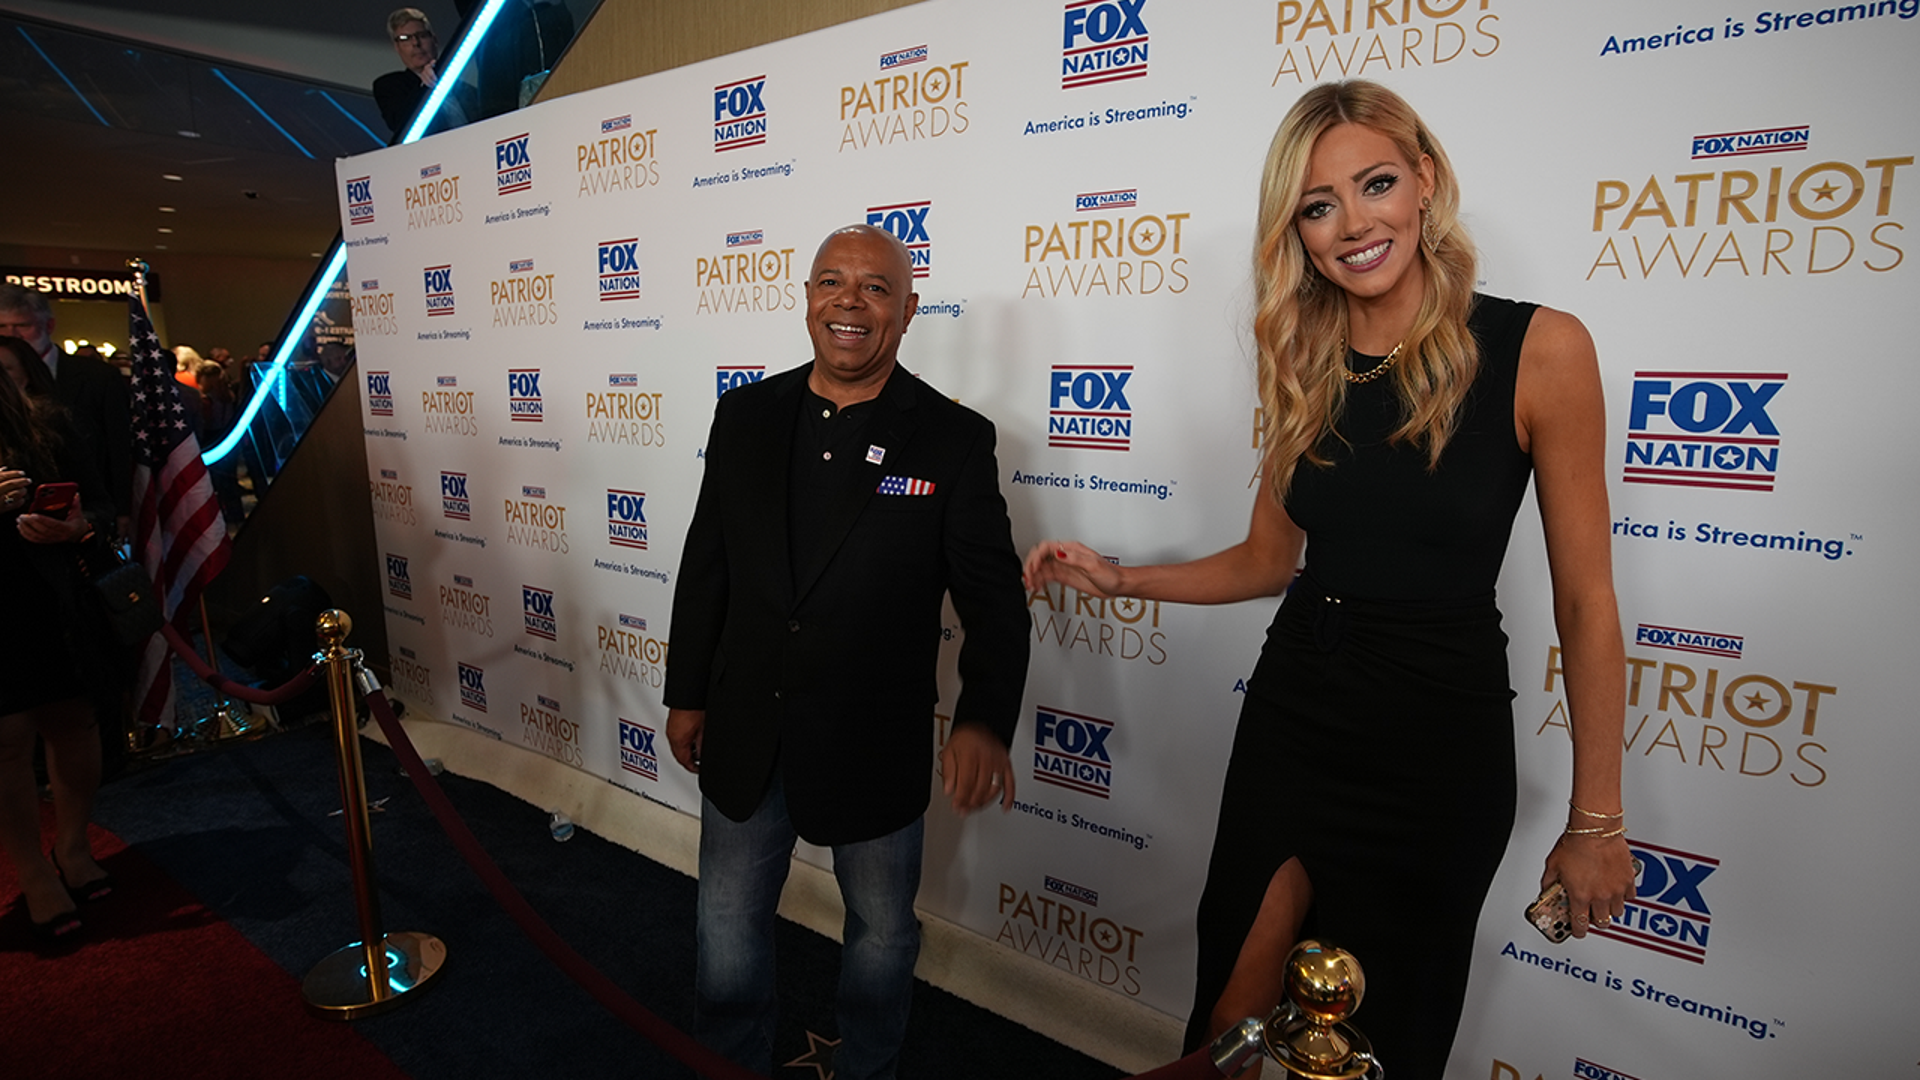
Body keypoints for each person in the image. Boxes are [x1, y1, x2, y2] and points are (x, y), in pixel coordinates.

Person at [1022, 80, 1634, 1077]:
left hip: (1440, 738)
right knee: (1231, 1014)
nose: (1353, 224)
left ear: (1425, 181)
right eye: (1318, 206)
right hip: (1297, 715)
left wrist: (1597, 818)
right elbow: (1268, 562)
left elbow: (1587, 601)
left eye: (1376, 184)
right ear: (1296, 232)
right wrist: (1118, 577)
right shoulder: (1303, 361)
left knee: (1381, 1042)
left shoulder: (1540, 349)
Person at [663, 224, 1030, 1080]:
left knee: (882, 934)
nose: (849, 302)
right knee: (725, 925)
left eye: (873, 288)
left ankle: (867, 1067)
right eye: (831, 282)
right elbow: (706, 561)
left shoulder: (953, 439)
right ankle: (730, 1060)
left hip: (874, 740)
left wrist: (982, 720)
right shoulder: (745, 414)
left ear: (906, 311)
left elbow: (994, 601)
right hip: (749, 727)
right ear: (807, 299)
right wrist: (688, 692)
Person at [0, 335, 116, 948]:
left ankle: (72, 845)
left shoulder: (48, 428)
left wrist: (75, 527)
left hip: (53, 605)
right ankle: (32, 872)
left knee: (73, 724)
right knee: (7, 746)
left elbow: (99, 505)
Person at [0, 284, 131, 534]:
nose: (12, 335)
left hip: (85, 514)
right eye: (2, 327)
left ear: (48, 326)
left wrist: (122, 511)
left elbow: (119, 447)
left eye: (22, 326)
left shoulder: (97, 377)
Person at [373, 7, 476, 141]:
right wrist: (425, 85)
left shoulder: (469, 91)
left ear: (434, 40)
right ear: (397, 47)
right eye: (405, 38)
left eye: (422, 35)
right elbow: (399, 121)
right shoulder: (389, 86)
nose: (416, 43)